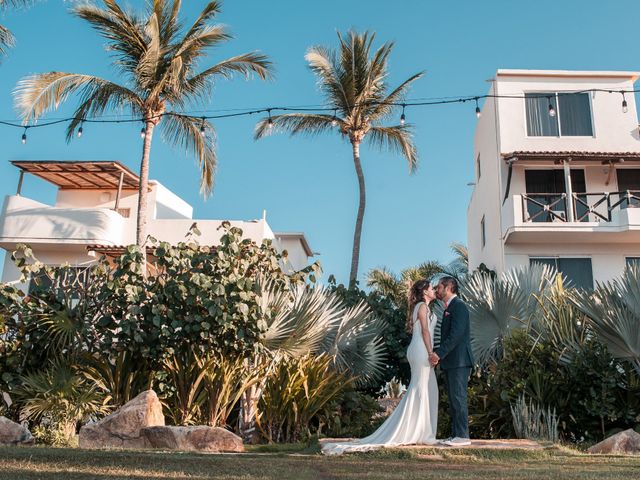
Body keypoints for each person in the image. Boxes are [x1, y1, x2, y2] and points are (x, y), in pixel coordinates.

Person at [321, 279, 439, 455]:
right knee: (421, 389)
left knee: (424, 388)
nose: (434, 290)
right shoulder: (422, 306)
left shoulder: (424, 307)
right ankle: (420, 431)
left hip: (420, 349)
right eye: (431, 288)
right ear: (424, 292)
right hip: (421, 349)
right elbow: (425, 331)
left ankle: (421, 430)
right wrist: (431, 352)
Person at [430, 276, 473, 447]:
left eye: (439, 287)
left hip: (460, 361)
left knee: (458, 397)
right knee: (453, 399)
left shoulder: (459, 306)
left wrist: (438, 353)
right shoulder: (450, 307)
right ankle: (456, 434)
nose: (437, 290)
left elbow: (456, 335)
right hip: (452, 361)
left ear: (448, 288)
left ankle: (462, 436)